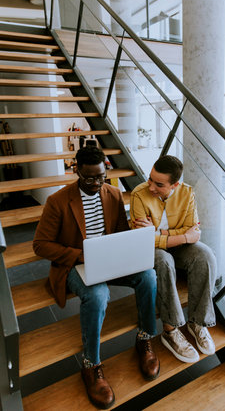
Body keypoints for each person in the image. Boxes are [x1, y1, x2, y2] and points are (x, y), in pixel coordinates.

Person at [33, 146, 159, 410]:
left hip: (109, 258)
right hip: (75, 264)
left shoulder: (112, 193)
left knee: (148, 276)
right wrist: (80, 255)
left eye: (101, 177)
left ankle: (145, 339)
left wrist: (131, 245)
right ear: (76, 171)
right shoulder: (57, 201)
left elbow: (121, 233)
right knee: (98, 294)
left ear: (105, 170)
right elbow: (41, 245)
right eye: (89, 178)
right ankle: (91, 365)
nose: (95, 183)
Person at [130, 155, 217, 364]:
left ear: (175, 185)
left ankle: (197, 323)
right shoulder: (138, 195)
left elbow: (192, 230)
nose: (151, 187)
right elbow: (144, 240)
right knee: (163, 261)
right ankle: (170, 330)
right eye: (150, 179)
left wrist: (161, 233)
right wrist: (183, 236)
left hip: (179, 246)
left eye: (158, 184)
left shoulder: (187, 192)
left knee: (206, 255)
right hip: (150, 251)